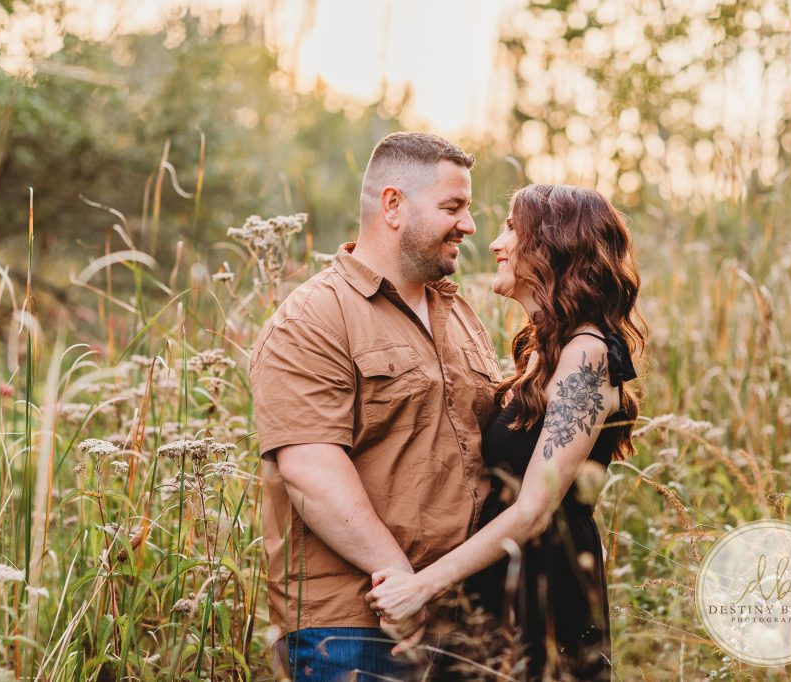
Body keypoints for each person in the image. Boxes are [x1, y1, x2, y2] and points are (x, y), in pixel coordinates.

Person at [248, 132, 502, 680]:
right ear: (393, 205)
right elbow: (311, 468)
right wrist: (400, 578)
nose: (469, 225)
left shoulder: (460, 315)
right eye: (453, 207)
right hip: (351, 628)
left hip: (461, 620)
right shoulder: (313, 319)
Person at [367, 184, 645, 681]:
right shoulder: (544, 349)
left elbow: (535, 509)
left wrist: (421, 587)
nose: (496, 243)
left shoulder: (588, 353)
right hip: (505, 576)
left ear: (554, 245)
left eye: (513, 229)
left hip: (544, 589)